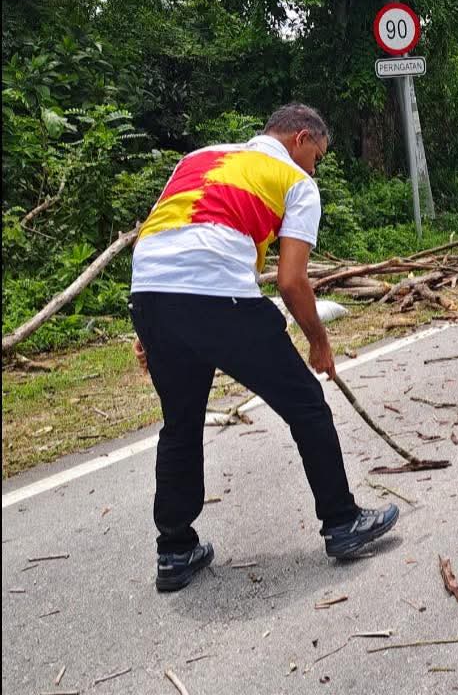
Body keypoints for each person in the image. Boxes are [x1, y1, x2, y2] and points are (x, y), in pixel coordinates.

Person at [130, 104, 398, 592]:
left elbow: (162, 238)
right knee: (306, 405)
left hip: (149, 293)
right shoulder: (295, 181)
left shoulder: (198, 156)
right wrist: (320, 341)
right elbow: (293, 282)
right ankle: (342, 522)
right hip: (217, 297)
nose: (315, 168)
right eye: (316, 156)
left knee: (181, 422)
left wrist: (149, 330)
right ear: (299, 139)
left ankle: (174, 550)